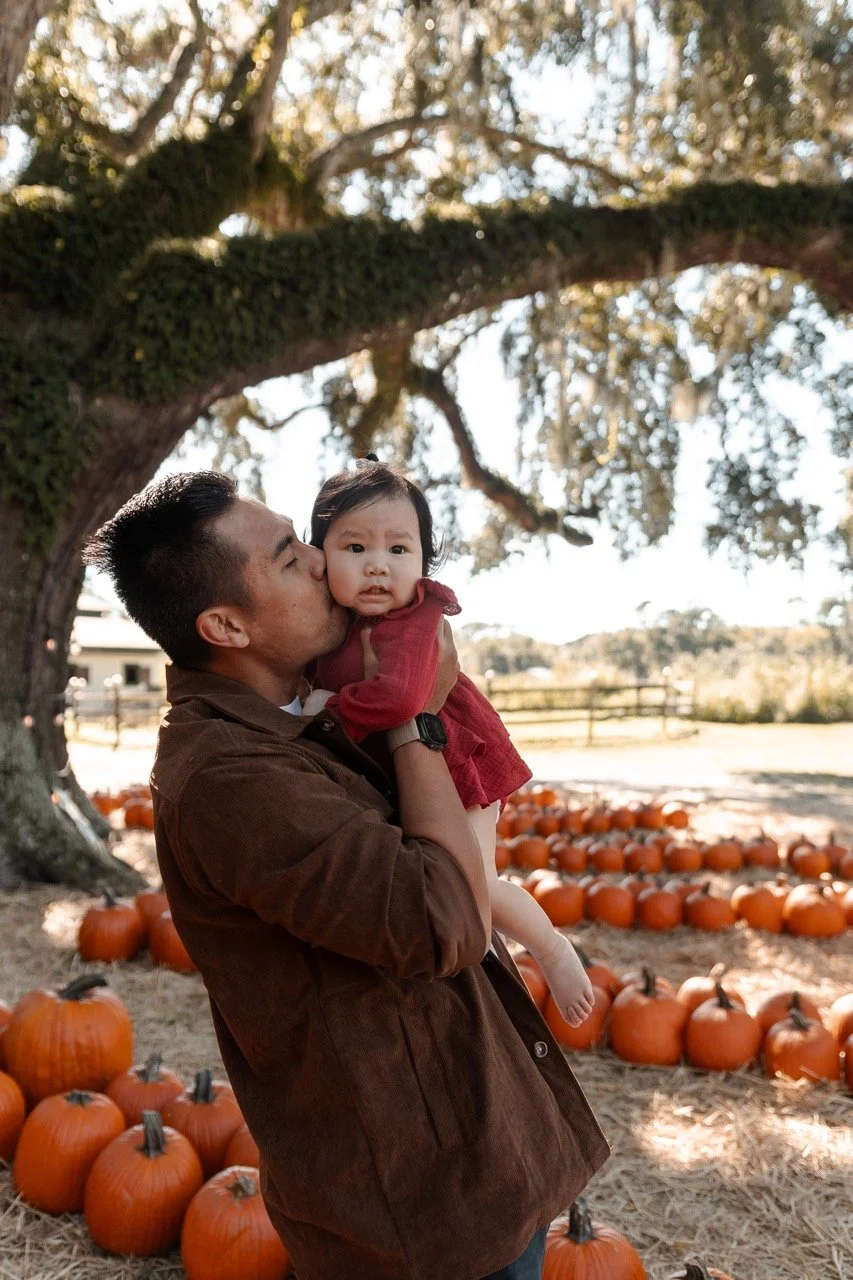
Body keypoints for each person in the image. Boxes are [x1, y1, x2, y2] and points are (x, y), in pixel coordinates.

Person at [83, 471, 609, 1280]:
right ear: (224, 624)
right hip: (418, 1208)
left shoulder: (293, 717)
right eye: (290, 557)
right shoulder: (231, 775)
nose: (322, 563)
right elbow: (444, 922)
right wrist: (414, 722)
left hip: (467, 1160)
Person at [307, 458, 595, 1030]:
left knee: (472, 885)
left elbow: (399, 700)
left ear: (423, 560)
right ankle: (478, 972)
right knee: (440, 887)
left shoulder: (414, 619)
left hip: (462, 760)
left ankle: (553, 950)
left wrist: (329, 710)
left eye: (398, 550)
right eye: (355, 548)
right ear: (320, 556)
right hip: (416, 769)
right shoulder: (330, 624)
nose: (377, 567)